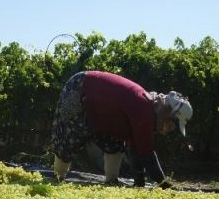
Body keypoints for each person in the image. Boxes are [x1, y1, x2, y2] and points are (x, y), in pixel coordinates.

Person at [50, 70, 192, 188]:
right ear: (167, 112)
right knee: (69, 136)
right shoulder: (143, 107)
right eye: (171, 124)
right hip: (80, 88)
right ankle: (57, 178)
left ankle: (111, 181)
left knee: (114, 142)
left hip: (101, 111)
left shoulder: (147, 109)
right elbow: (147, 153)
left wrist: (139, 183)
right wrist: (164, 185)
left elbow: (134, 146)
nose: (169, 129)